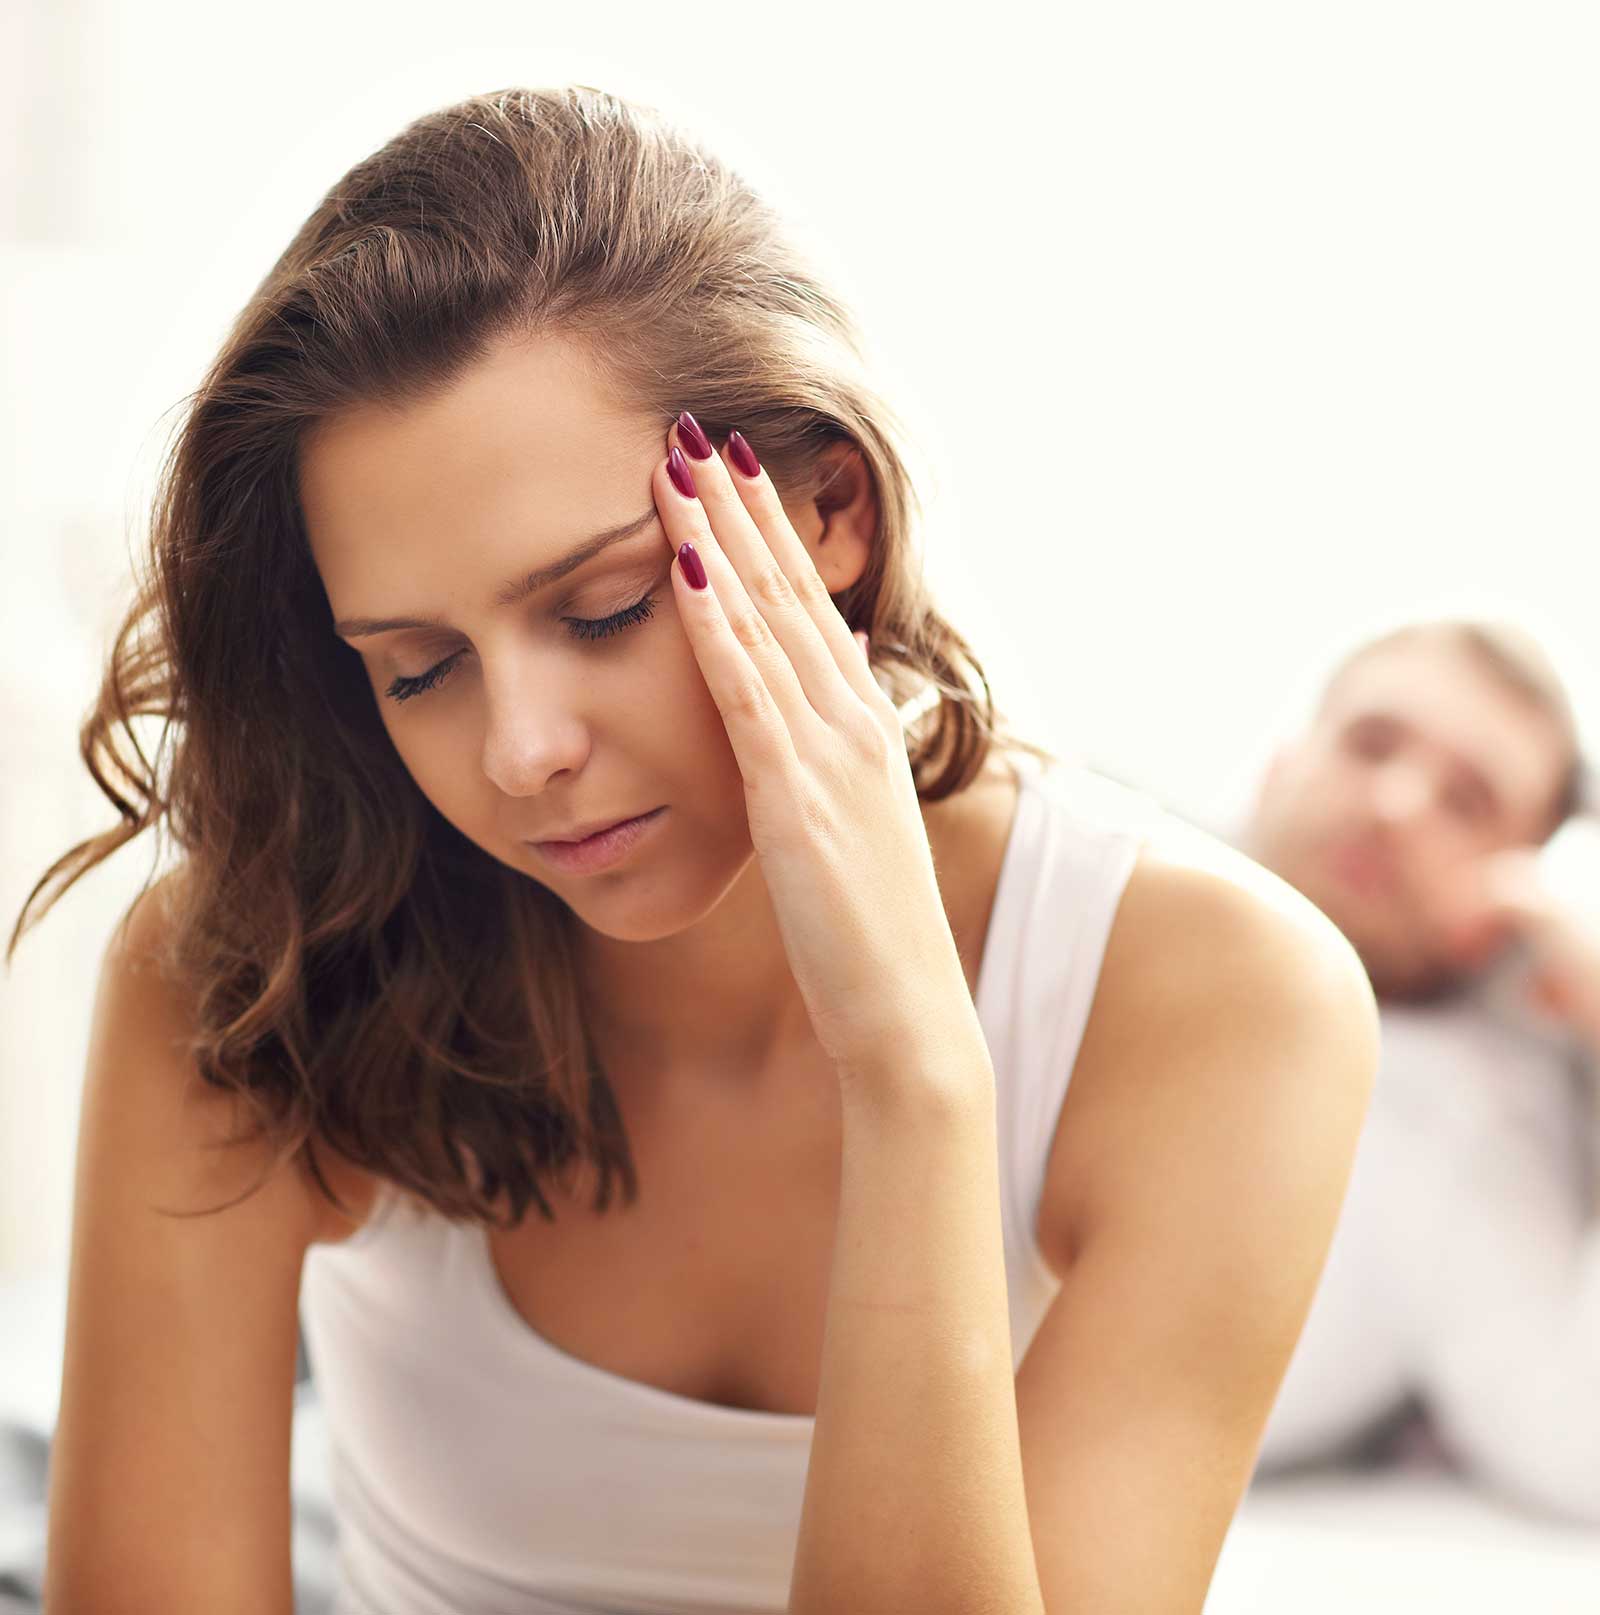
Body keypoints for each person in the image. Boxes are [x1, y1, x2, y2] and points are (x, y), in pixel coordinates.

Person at [10, 85, 1377, 1614]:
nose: (522, 748)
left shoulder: (1222, 996)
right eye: (418, 666)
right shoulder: (261, 951)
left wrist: (916, 1076)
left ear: (831, 512)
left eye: (600, 609)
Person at [1200, 614, 1600, 1524]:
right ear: (1280, 765)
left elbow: (1584, 1448)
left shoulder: (1468, 1120)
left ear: (1520, 888)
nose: (1395, 803)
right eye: (1369, 743)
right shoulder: (1059, 898)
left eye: (1468, 800)